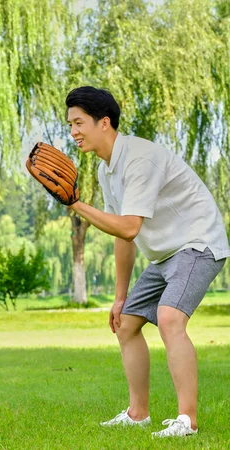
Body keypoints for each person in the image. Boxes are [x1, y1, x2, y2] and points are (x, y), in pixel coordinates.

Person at [64, 86, 229, 438]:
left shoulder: (139, 158)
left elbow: (129, 225)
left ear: (103, 122)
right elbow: (124, 236)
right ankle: (138, 414)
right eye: (70, 124)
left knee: (170, 318)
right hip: (164, 254)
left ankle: (188, 421)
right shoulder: (107, 170)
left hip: (197, 243)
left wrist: (77, 204)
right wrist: (120, 296)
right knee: (124, 323)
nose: (73, 132)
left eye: (79, 123)